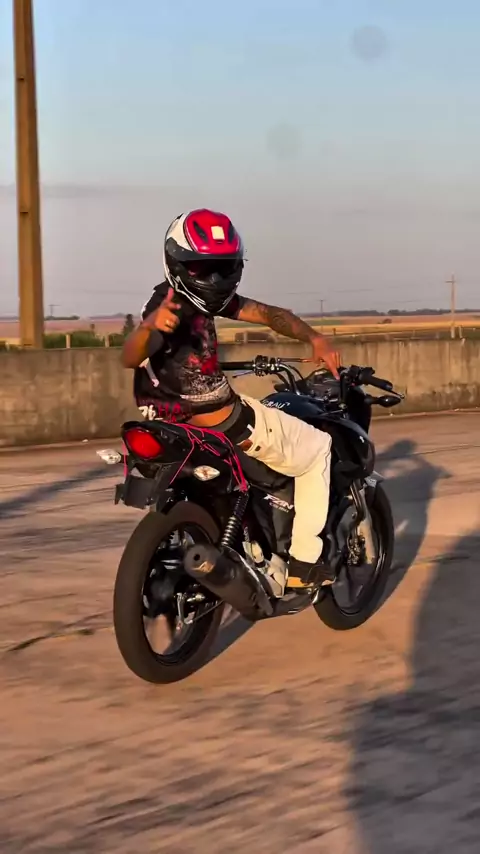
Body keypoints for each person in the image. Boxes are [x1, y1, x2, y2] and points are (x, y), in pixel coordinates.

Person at [122, 208, 341, 594]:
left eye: (223, 268)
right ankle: (305, 563)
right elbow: (131, 354)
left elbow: (269, 314)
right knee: (318, 448)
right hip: (219, 420)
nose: (215, 279)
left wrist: (314, 337)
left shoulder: (197, 299)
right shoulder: (166, 310)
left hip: (166, 420)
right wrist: (148, 329)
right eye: (202, 268)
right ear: (176, 263)